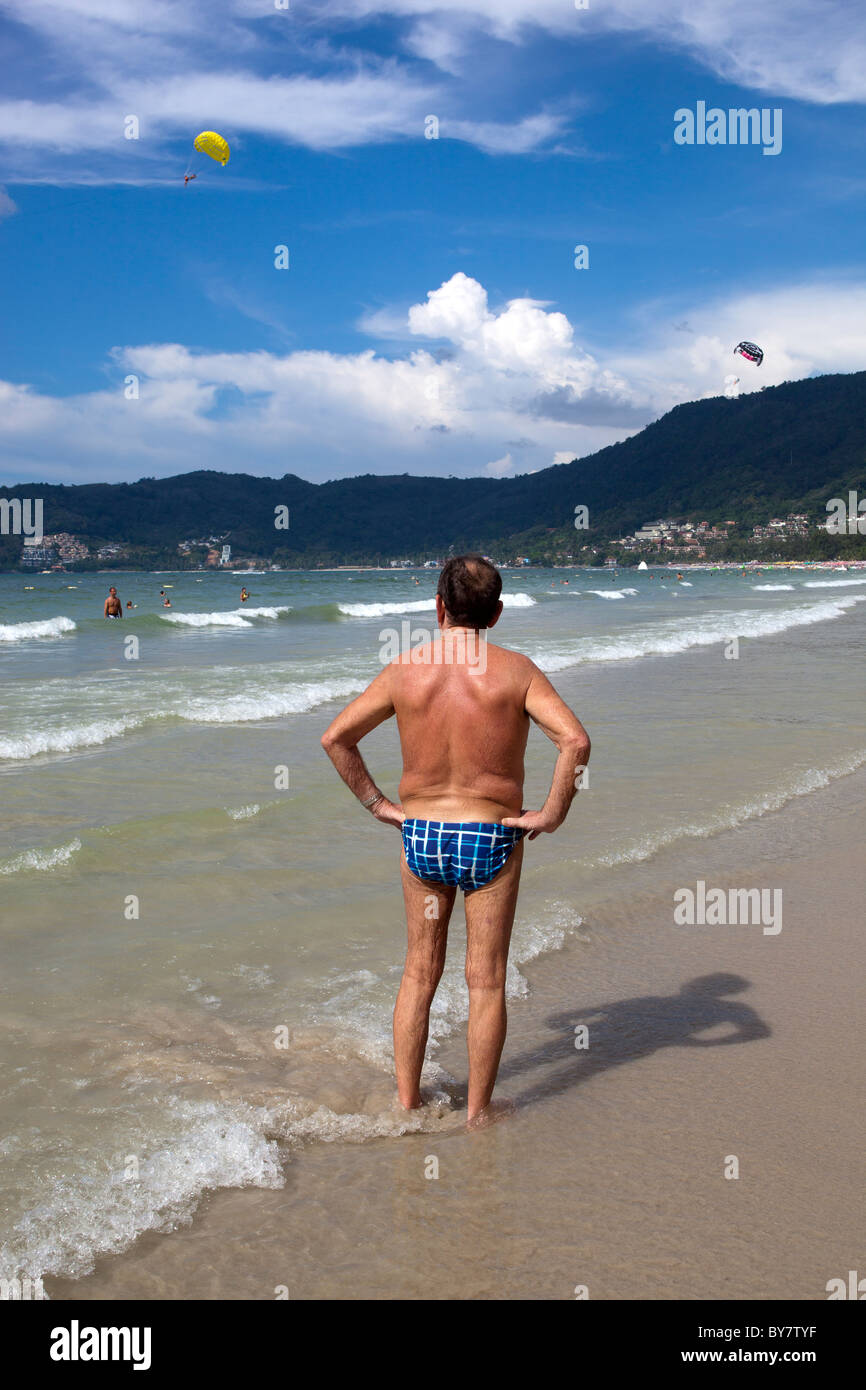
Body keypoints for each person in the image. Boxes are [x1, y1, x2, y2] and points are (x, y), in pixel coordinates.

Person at [321, 555, 590, 1126]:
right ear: (495, 613)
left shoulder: (404, 671)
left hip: (422, 836)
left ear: (438, 608)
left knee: (420, 971)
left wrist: (378, 805)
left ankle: (407, 1104)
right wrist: (550, 815)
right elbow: (575, 741)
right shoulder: (517, 671)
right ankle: (477, 1113)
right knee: (485, 978)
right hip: (492, 836)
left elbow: (336, 738)